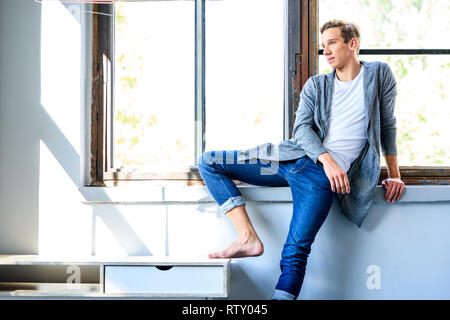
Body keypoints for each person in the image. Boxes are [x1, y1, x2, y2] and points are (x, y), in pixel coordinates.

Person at [197, 19, 405, 300]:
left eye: (332, 43)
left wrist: (395, 173)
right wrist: (327, 159)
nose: (326, 51)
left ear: (352, 44)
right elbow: (302, 130)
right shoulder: (316, 85)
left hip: (317, 181)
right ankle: (247, 237)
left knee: (295, 250)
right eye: (323, 46)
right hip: (288, 162)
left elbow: (388, 125)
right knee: (210, 161)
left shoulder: (379, 74)